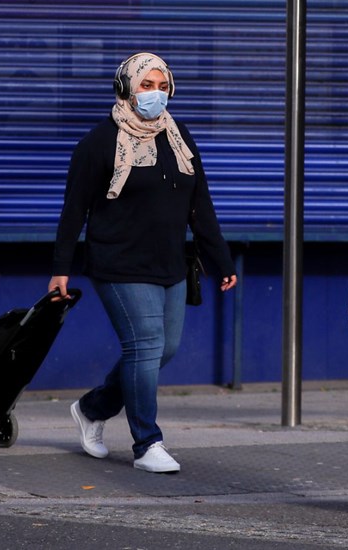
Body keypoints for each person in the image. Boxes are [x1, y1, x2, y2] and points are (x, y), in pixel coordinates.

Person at [49, 52, 238, 474]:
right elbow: (72, 211)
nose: (156, 94)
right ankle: (147, 443)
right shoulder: (98, 143)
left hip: (168, 261)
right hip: (117, 262)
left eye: (162, 86)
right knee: (146, 344)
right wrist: (60, 267)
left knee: (161, 349)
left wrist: (221, 260)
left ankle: (92, 409)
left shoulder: (178, 136)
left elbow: (200, 206)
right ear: (126, 88)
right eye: (146, 85)